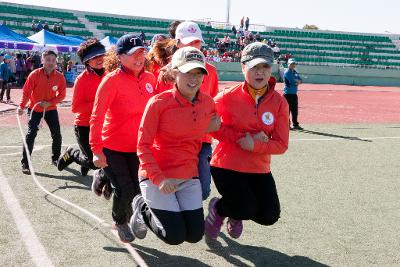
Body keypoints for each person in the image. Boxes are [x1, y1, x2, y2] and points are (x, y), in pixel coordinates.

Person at [130, 46, 218, 245]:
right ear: (175, 72)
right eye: (188, 72)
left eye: (198, 73)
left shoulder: (208, 102)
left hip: (188, 176)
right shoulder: (158, 103)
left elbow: (216, 127)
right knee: (174, 236)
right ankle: (141, 206)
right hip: (157, 177)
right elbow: (142, 146)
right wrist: (159, 179)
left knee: (195, 235)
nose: (194, 78)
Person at [204, 42, 289, 240]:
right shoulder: (226, 97)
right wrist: (242, 139)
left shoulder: (279, 103)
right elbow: (211, 126)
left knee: (269, 216)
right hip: (227, 165)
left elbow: (281, 144)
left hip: (259, 168)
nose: (260, 73)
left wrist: (256, 145)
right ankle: (220, 208)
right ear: (243, 67)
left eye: (265, 67)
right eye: (254, 67)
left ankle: (235, 211)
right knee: (245, 207)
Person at [89, 34, 156, 243]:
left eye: (142, 53)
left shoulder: (150, 79)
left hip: (138, 147)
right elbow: (97, 116)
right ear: (120, 57)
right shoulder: (111, 81)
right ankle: (120, 221)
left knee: (137, 189)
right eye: (133, 54)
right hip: (112, 146)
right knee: (125, 189)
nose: (139, 58)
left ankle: (104, 175)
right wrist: (96, 150)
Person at [156, 21, 219, 200]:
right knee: (172, 191)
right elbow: (158, 112)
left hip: (201, 143)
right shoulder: (166, 73)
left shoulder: (211, 72)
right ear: (177, 44)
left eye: (197, 42)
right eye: (188, 42)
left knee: (203, 191)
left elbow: (212, 106)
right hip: (171, 144)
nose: (194, 46)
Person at [56, 38, 112, 198]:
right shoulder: (82, 79)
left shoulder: (111, 74)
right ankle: (71, 154)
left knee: (109, 159)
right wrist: (98, 104)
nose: (100, 59)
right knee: (93, 162)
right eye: (95, 57)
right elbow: (75, 107)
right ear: (87, 61)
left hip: (105, 126)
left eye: (102, 55)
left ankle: (108, 185)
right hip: (84, 126)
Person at [17, 49, 66, 174]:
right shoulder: (34, 74)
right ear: (43, 61)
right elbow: (26, 92)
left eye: (53, 60)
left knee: (57, 134)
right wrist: (21, 106)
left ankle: (56, 159)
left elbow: (62, 95)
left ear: (56, 62)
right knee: (31, 134)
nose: (50, 62)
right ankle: (25, 163)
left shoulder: (60, 77)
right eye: (48, 60)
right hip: (35, 109)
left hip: (51, 109)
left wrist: (50, 103)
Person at [283, 58, 303, 130]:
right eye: (291, 64)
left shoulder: (295, 72)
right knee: (286, 111)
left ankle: (295, 124)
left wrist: (298, 81)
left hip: (294, 94)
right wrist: (297, 82)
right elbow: (292, 82)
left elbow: (301, 80)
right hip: (287, 94)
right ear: (288, 64)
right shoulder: (287, 72)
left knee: (295, 110)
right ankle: (287, 125)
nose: (292, 65)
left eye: (294, 64)